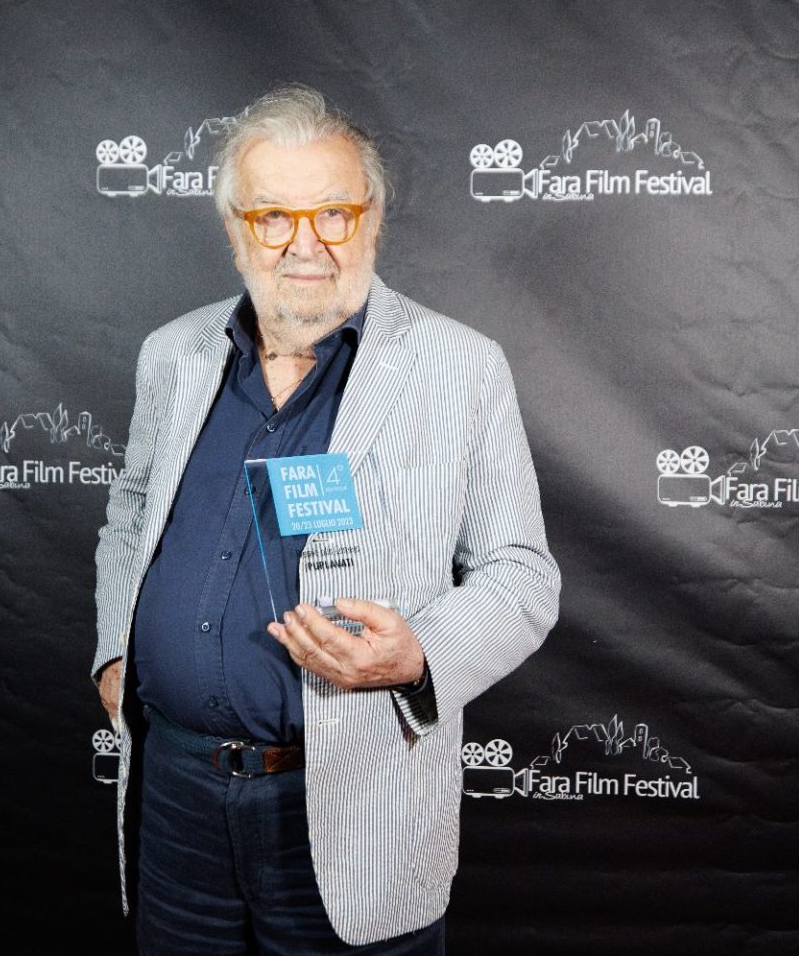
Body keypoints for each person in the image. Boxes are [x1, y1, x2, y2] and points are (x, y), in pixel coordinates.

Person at [92, 84, 559, 953]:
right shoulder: (174, 355)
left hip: (352, 804)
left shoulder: (460, 367)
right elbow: (131, 510)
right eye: (273, 215)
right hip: (178, 799)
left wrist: (418, 655)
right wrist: (115, 651)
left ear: (371, 222)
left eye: (334, 213)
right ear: (235, 230)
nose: (305, 243)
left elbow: (521, 573)